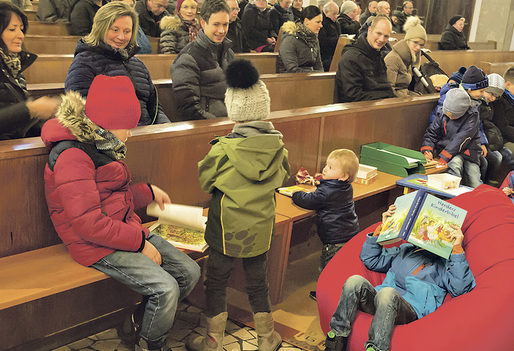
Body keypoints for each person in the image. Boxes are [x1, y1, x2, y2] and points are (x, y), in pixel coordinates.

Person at [42, 75, 201, 351]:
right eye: (127, 126)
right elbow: (88, 224)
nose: (130, 133)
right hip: (93, 244)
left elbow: (112, 196)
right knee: (166, 288)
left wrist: (147, 192)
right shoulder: (73, 155)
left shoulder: (101, 143)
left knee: (189, 271)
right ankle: (151, 344)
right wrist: (140, 244)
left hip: (120, 231)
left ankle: (140, 323)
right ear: (107, 122)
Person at [189, 59, 291, 351]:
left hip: (226, 228)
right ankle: (266, 338)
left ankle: (212, 341)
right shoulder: (278, 148)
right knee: (258, 283)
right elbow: (282, 179)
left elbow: (206, 182)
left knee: (217, 281)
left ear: (233, 109)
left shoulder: (222, 149)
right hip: (260, 226)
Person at [323, 204, 475, 351]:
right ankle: (337, 338)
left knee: (387, 293)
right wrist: (381, 232)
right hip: (380, 300)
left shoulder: (444, 263)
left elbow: (460, 289)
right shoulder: (405, 249)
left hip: (410, 309)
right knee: (354, 281)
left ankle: (376, 348)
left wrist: (456, 249)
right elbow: (371, 260)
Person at [65, 1, 170, 125]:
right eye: (115, 30)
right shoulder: (84, 63)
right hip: (111, 138)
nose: (121, 37)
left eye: (127, 31)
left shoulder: (138, 64)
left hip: (146, 134)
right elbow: (81, 114)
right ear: (101, 29)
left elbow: (155, 107)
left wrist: (165, 130)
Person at [291, 149, 360, 300]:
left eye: (330, 168)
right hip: (349, 234)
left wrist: (296, 194)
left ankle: (326, 297)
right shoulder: (345, 187)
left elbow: (309, 201)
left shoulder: (328, 191)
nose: (324, 169)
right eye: (326, 165)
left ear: (343, 176)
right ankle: (338, 293)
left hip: (334, 239)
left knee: (327, 269)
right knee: (340, 269)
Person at [0, 3, 60, 140]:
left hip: (13, 144)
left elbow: (20, 126)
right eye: (12, 29)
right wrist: (31, 109)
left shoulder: (13, 65)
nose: (20, 35)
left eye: (21, 29)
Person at [170, 0, 234, 120]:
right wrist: (222, 125)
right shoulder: (188, 58)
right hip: (209, 128)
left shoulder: (228, 53)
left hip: (232, 123)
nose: (221, 30)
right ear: (203, 23)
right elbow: (189, 110)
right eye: (216, 24)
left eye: (225, 24)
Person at [422, 88, 483, 187]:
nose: (450, 117)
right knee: (455, 164)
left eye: (454, 116)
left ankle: (479, 198)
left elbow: (461, 138)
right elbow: (432, 133)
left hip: (469, 151)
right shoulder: (442, 113)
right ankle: (453, 195)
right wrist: (427, 149)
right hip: (449, 151)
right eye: (448, 114)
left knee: (474, 178)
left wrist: (444, 157)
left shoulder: (472, 115)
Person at [335, 16, 395, 103]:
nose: (382, 39)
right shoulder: (351, 58)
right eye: (378, 33)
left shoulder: (378, 54)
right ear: (369, 30)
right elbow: (353, 96)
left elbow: (384, 87)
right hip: (356, 110)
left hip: (379, 106)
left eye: (386, 36)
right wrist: (384, 99)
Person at [384, 16, 425, 97]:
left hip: (403, 98)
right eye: (415, 42)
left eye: (421, 45)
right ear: (407, 41)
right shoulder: (393, 58)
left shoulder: (407, 59)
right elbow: (388, 91)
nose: (418, 47)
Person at [277, 5, 324, 73]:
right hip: (290, 80)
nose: (321, 25)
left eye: (321, 22)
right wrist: (312, 74)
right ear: (306, 21)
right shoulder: (290, 40)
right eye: (318, 22)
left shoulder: (313, 39)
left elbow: (319, 66)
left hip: (309, 78)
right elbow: (292, 69)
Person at [319, 1, 340, 71]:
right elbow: (323, 41)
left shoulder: (336, 23)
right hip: (326, 56)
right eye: (334, 14)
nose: (336, 16)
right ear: (326, 12)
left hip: (335, 53)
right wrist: (338, 40)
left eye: (337, 14)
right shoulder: (322, 24)